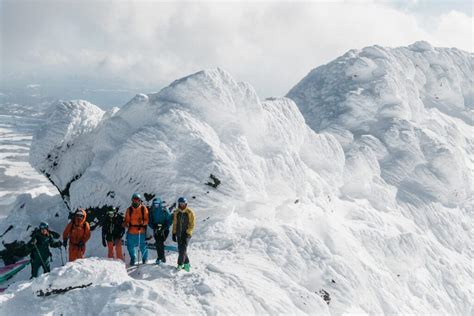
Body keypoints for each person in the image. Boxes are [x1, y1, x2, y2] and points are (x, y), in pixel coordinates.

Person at [124, 193, 149, 265]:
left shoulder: (143, 209)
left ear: (140, 200)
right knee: (130, 246)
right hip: (131, 231)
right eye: (134, 200)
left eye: (137, 200)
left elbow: (147, 220)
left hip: (140, 231)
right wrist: (126, 223)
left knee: (143, 246)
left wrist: (142, 222)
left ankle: (145, 259)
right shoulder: (129, 210)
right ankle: (133, 258)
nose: (135, 201)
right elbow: (127, 220)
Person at [172, 197, 195, 271]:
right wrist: (174, 233)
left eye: (184, 203)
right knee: (181, 249)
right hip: (179, 234)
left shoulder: (189, 212)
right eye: (181, 203)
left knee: (182, 249)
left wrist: (188, 232)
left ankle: (180, 264)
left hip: (187, 234)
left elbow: (192, 224)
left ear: (186, 203)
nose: (182, 205)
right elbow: (175, 223)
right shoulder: (176, 212)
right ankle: (187, 265)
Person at [148, 198, 172, 264]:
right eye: (155, 204)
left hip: (164, 229)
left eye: (157, 204)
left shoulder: (164, 210)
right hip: (156, 229)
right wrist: (153, 226)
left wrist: (165, 226)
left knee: (160, 242)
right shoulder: (152, 211)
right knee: (158, 242)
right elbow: (149, 221)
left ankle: (161, 258)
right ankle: (161, 257)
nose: (156, 205)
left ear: (160, 203)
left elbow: (169, 219)